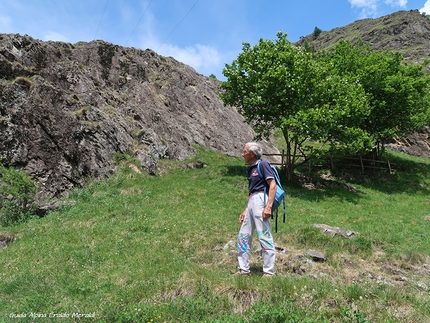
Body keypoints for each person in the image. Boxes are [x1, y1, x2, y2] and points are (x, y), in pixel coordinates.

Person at [237, 142, 276, 277]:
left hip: (261, 201)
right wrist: (245, 210)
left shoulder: (263, 165)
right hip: (253, 201)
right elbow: (252, 193)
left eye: (244, 152)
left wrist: (268, 206)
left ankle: (269, 272)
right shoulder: (250, 169)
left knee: (264, 235)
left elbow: (272, 185)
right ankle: (243, 270)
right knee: (243, 236)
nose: (242, 154)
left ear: (252, 154)